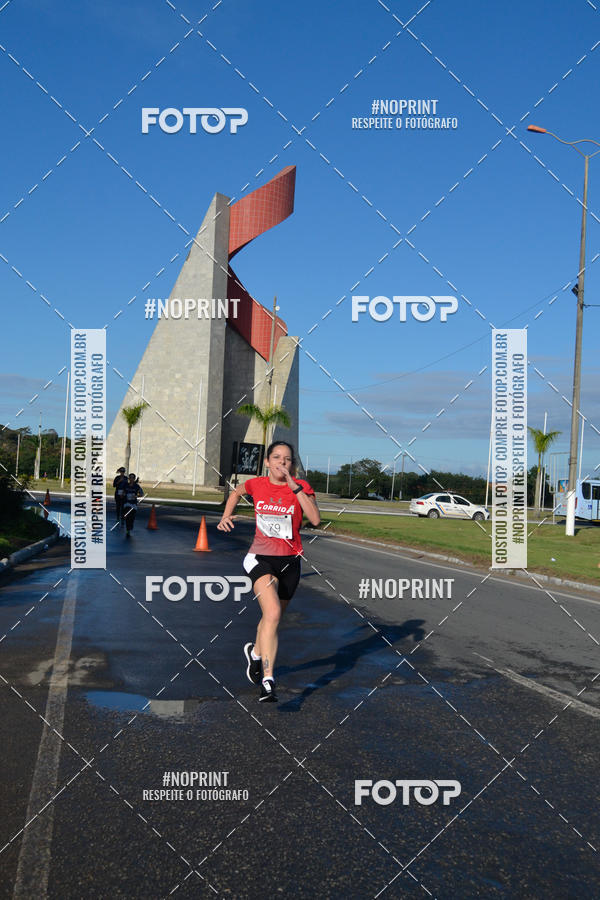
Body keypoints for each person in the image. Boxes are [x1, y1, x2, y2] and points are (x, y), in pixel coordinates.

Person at [217, 441, 320, 702]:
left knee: (272, 619)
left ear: (292, 464)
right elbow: (236, 492)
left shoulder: (302, 487)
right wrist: (226, 515)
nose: (281, 463)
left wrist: (295, 487)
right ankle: (268, 680)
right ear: (267, 462)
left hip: (290, 563)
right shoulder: (257, 484)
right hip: (260, 557)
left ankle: (254, 654)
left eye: (287, 459)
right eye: (276, 457)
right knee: (272, 612)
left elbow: (315, 520)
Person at [122, 473, 144, 538]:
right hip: (127, 503)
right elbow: (123, 492)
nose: (131, 479)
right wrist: (123, 494)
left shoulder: (137, 486)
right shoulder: (126, 485)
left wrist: (136, 495)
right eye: (130, 478)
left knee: (131, 517)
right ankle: (127, 530)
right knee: (127, 516)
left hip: (133, 504)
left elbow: (142, 494)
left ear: (134, 479)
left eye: (132, 478)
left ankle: (130, 526)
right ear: (129, 478)